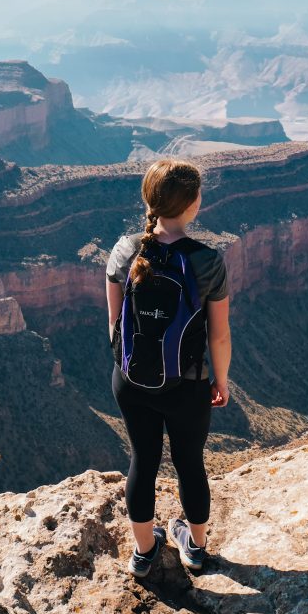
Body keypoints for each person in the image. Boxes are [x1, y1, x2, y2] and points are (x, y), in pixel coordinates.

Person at [105, 158, 231, 578]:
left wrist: (128, 368)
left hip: (131, 380)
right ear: (193, 204)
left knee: (143, 457)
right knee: (190, 462)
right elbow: (219, 335)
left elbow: (114, 322)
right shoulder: (206, 261)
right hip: (187, 386)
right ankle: (195, 548)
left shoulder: (125, 250)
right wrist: (221, 380)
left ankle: (144, 553)